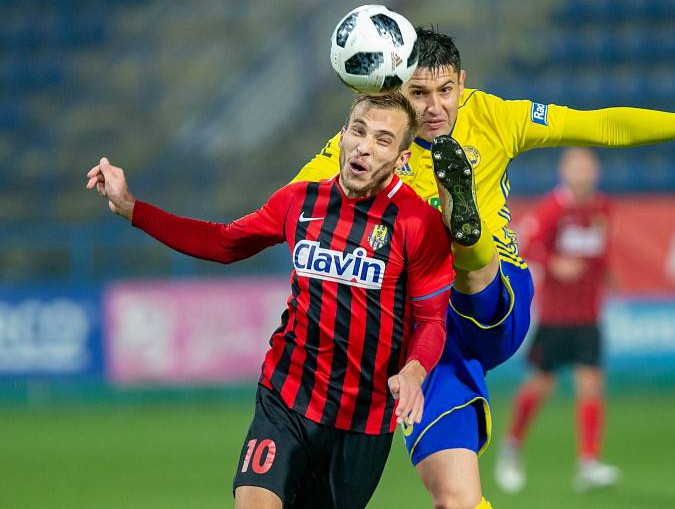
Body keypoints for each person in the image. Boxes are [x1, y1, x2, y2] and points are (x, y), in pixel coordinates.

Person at [293, 26, 675, 509]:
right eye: (419, 94)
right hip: (425, 341)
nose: (436, 107)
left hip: (494, 300)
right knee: (455, 499)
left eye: (446, 91)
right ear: (397, 88)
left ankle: (466, 229)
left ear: (462, 82)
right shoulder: (369, 141)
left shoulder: (497, 116)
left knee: (464, 253)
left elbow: (600, 125)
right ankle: (459, 231)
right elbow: (290, 204)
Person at [86, 92, 455, 509]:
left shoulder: (418, 223)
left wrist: (413, 371)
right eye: (358, 130)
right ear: (342, 136)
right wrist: (132, 207)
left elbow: (431, 321)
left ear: (403, 159)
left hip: (362, 419)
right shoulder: (299, 201)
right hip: (287, 396)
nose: (365, 146)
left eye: (383, 140)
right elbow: (223, 242)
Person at [495, 147, 617, 494]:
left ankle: (588, 463)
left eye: (588, 167)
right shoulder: (553, 208)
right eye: (576, 167)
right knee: (540, 385)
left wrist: (606, 274)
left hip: (588, 314)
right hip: (556, 316)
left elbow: (601, 251)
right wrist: (554, 264)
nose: (583, 173)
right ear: (565, 172)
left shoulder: (602, 207)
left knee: (591, 384)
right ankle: (511, 446)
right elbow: (526, 244)